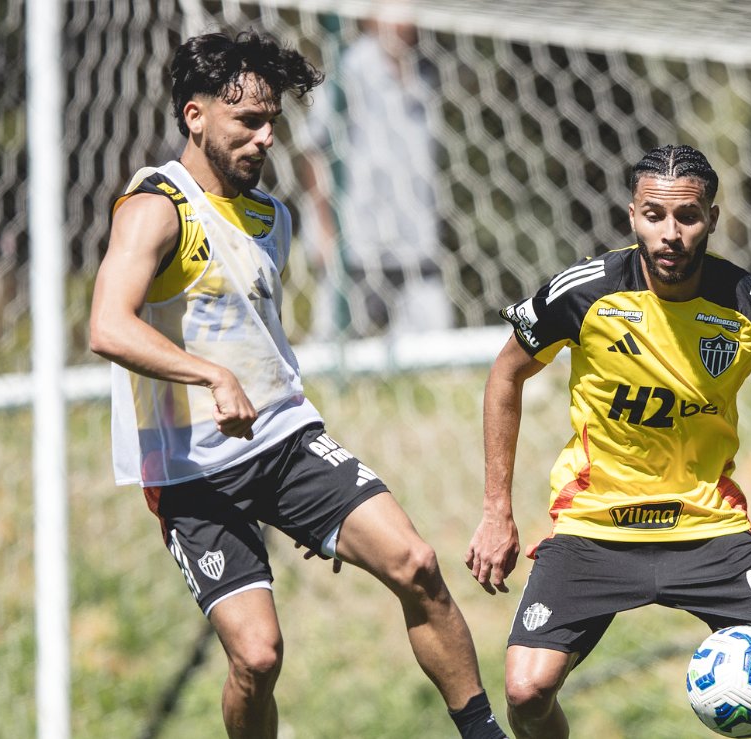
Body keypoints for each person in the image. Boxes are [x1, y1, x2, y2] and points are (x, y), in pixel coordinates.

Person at [89, 30, 505, 739]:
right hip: (193, 474)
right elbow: (107, 326)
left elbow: (255, 340)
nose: (265, 138)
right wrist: (210, 375)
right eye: (248, 121)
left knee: (416, 563)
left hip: (284, 442)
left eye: (272, 122)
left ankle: (483, 732)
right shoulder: (157, 206)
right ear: (195, 116)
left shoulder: (271, 218)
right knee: (258, 656)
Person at [465, 144, 751, 738]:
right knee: (526, 690)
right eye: (654, 215)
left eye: (687, 217)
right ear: (632, 216)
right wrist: (496, 511)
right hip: (596, 526)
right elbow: (505, 374)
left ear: (711, 219)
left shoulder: (750, 307)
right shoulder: (585, 292)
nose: (670, 233)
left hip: (709, 530)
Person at [298, 6, 453, 339]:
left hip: (414, 241)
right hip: (355, 241)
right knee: (334, 343)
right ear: (369, 15)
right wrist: (324, 227)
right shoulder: (347, 70)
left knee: (437, 343)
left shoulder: (424, 74)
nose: (403, 18)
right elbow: (314, 150)